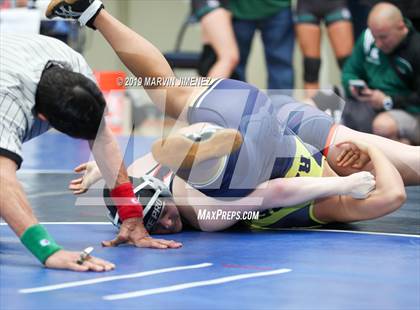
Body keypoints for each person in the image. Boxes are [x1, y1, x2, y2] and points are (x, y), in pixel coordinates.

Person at [46, 0, 420, 189]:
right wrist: (117, 167)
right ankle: (94, 14)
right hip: (268, 133)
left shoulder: (333, 190)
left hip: (281, 124)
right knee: (170, 98)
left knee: (175, 110)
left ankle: (93, 13)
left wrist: (115, 168)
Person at [0, 35, 181, 271]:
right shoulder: (8, 104)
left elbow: (103, 140)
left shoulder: (72, 64)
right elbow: (3, 181)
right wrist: (48, 250)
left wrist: (131, 215)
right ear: (43, 118)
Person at [342, 2, 420, 145]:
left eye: (383, 37)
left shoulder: (416, 49)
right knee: (314, 103)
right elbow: (349, 71)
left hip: (408, 111)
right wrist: (353, 87)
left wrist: (387, 101)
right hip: (368, 100)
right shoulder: (367, 38)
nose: (377, 43)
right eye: (374, 36)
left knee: (382, 126)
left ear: (401, 27)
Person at [294, 0, 354, 97]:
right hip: (307, 6)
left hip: (335, 5)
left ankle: (355, 108)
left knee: (348, 65)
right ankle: (311, 111)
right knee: (311, 66)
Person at [191, 0, 240, 79]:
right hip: (213, 7)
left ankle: (203, 88)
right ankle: (207, 90)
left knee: (212, 56)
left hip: (217, 8)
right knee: (228, 57)